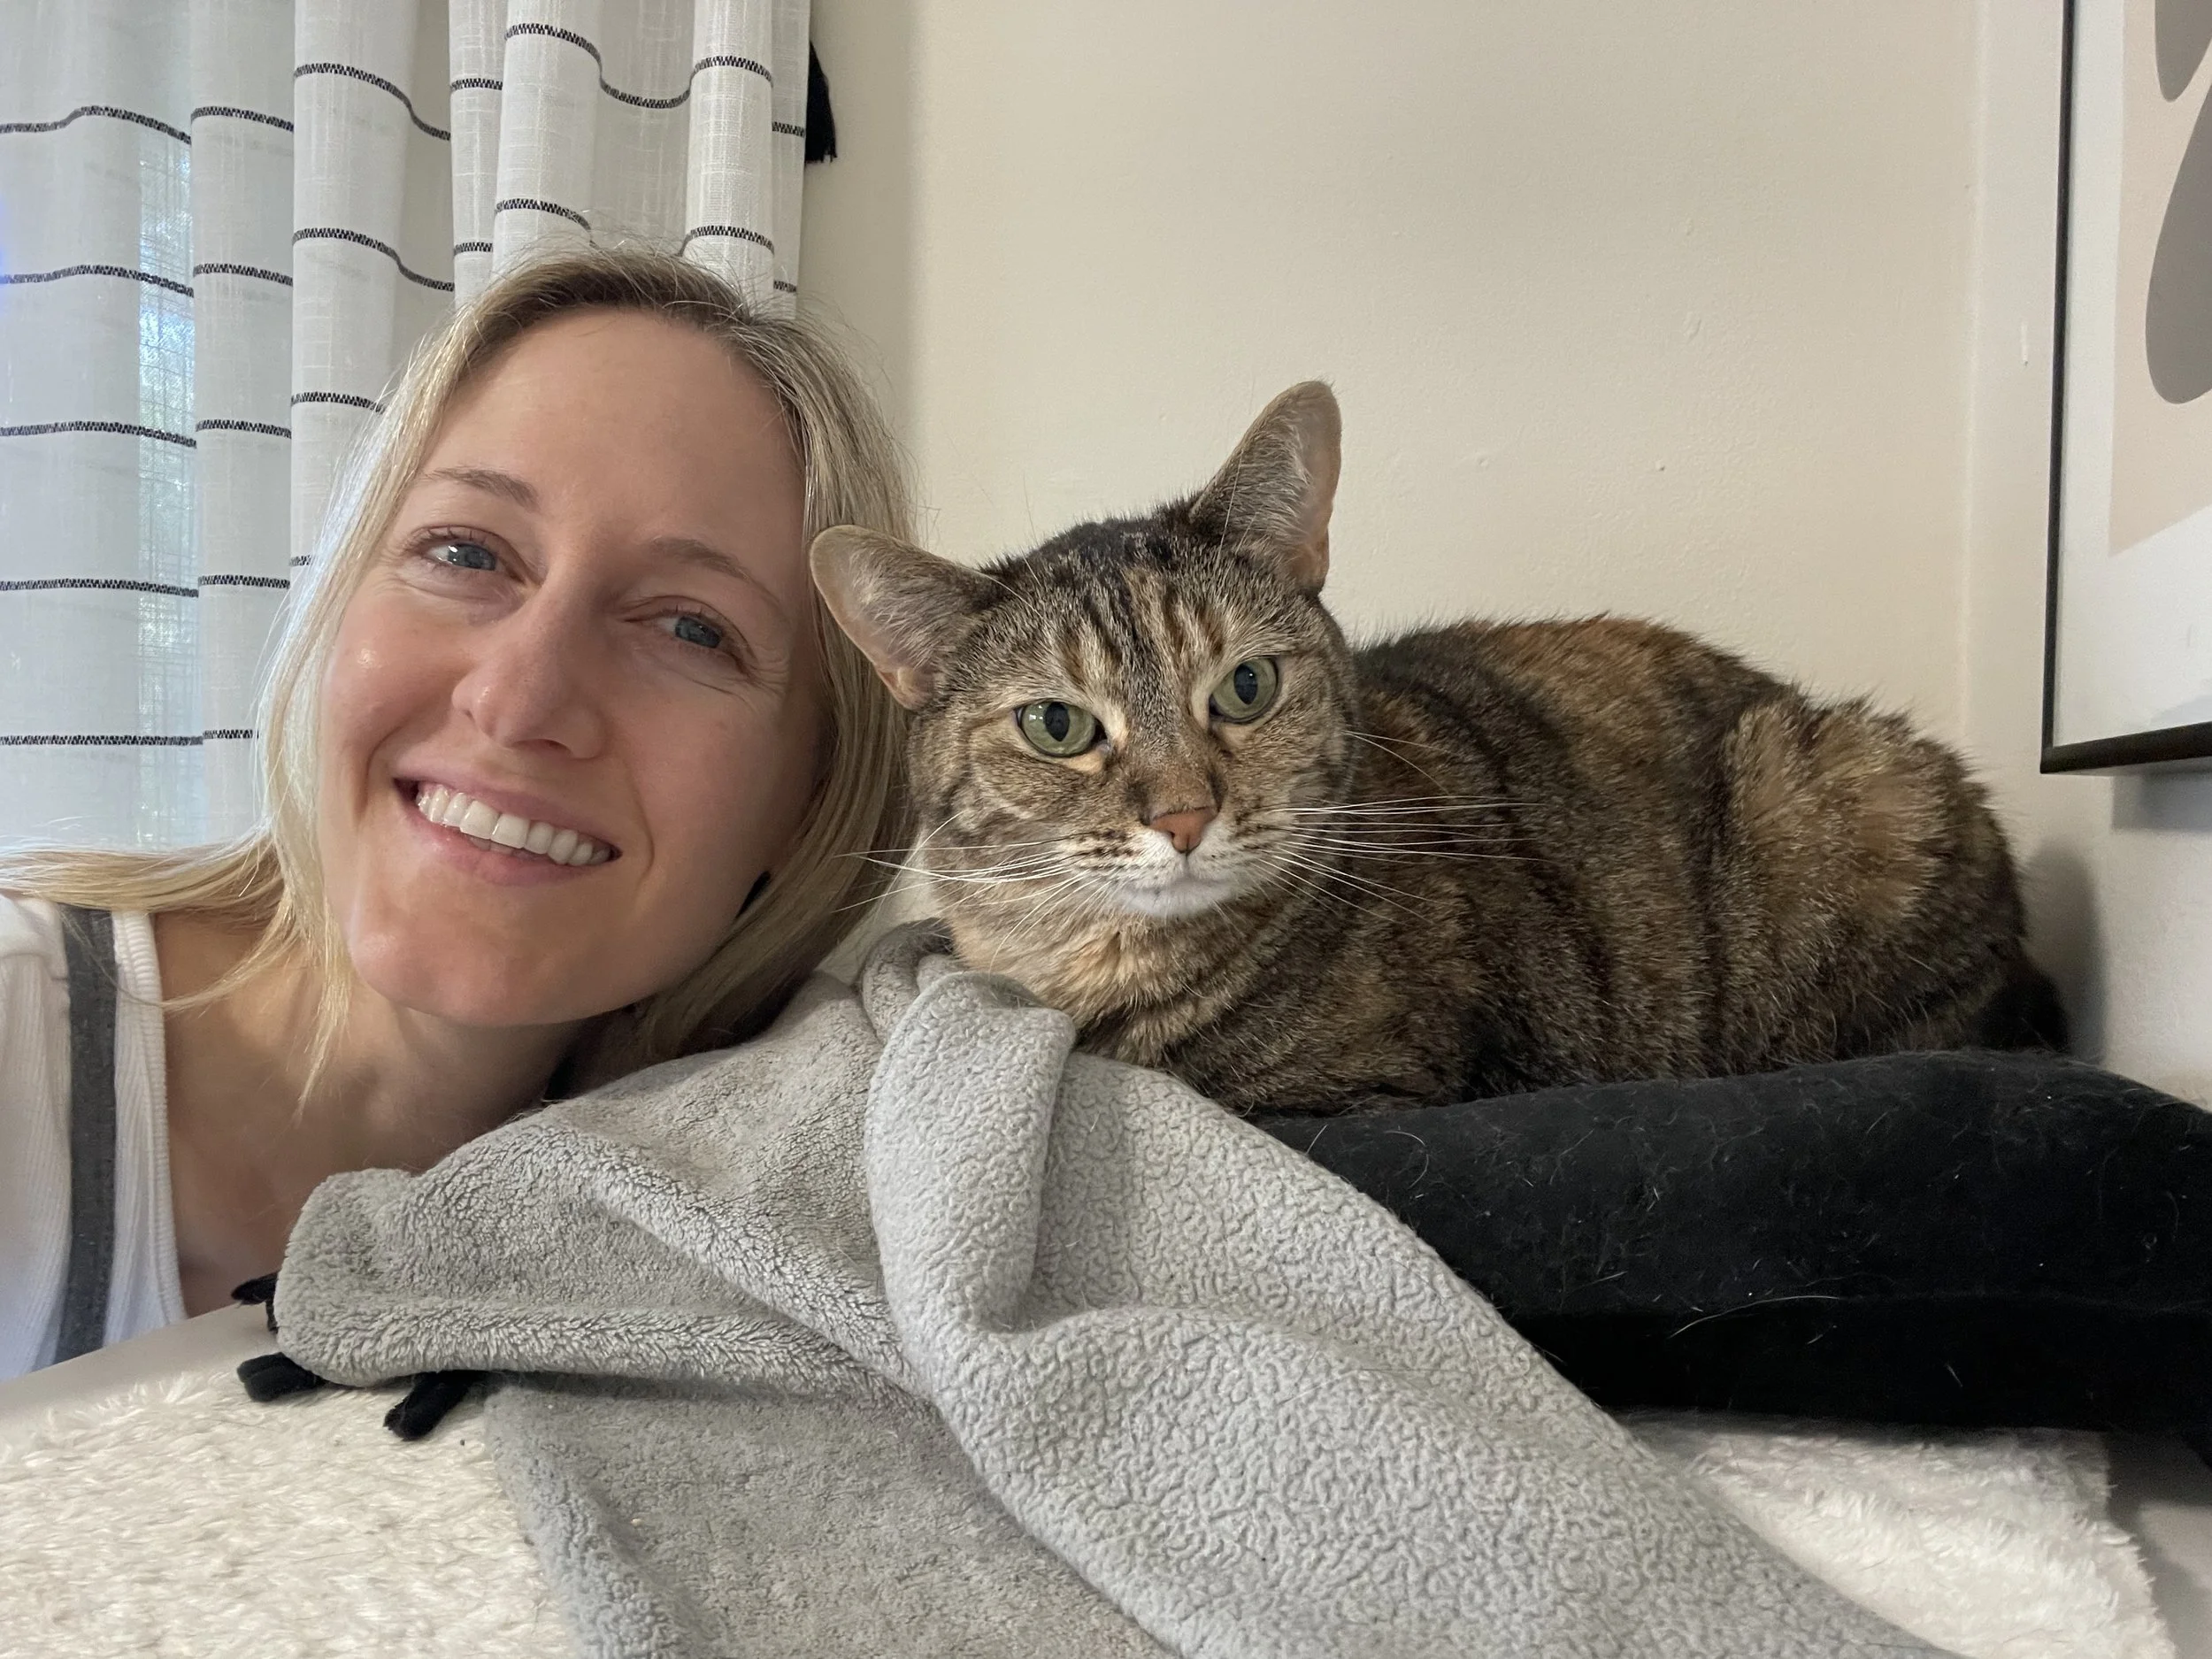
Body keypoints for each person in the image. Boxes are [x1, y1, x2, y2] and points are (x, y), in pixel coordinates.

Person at [0, 249, 912, 1378]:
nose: (520, 699)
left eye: (689, 628)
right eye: (465, 552)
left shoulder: (763, 1196)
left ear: (808, 800)